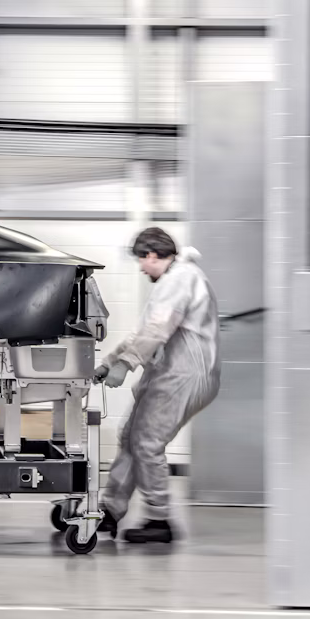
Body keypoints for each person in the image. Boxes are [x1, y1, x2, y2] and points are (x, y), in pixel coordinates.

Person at [94, 227, 220, 544]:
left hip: (185, 375)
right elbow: (142, 332)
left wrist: (126, 364)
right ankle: (110, 510)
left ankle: (159, 519)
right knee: (131, 437)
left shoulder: (182, 277)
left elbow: (158, 328)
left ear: (151, 255)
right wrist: (110, 361)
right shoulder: (173, 279)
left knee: (147, 442)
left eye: (141, 260)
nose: (140, 268)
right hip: (170, 372)